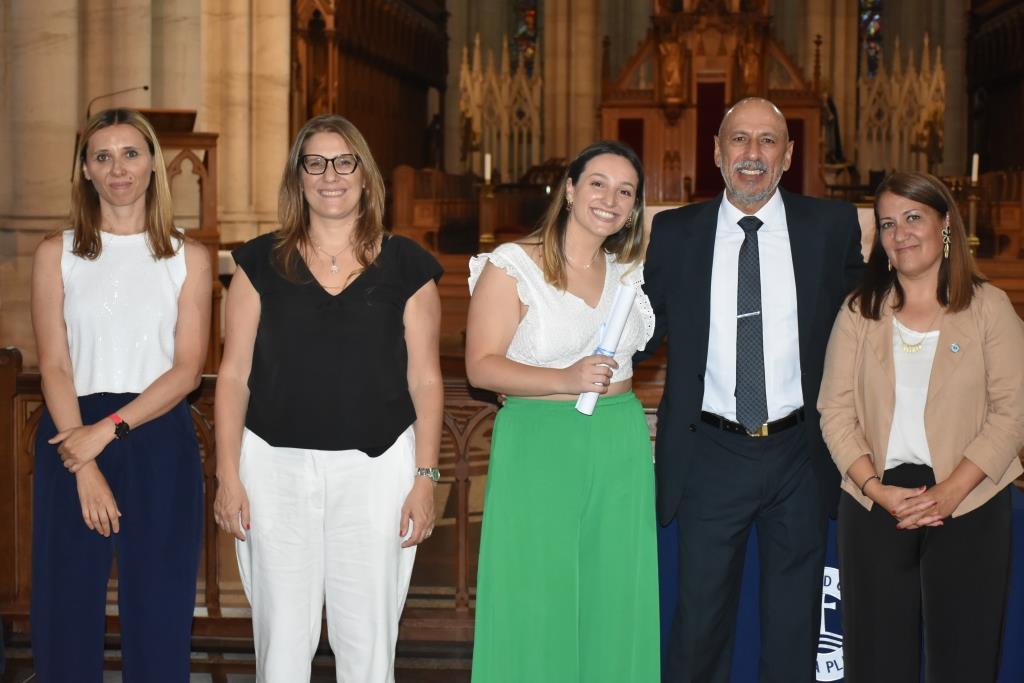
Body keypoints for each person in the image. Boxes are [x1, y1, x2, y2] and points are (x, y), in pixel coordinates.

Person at [637, 97, 864, 682]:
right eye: (740, 140)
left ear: (788, 156)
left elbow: (871, 323)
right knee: (700, 622)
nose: (753, 155)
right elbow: (641, 331)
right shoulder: (676, 232)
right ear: (717, 151)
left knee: (794, 625)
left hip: (800, 452)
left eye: (768, 141)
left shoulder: (830, 228)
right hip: (710, 452)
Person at [213, 114, 443, 682]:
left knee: (366, 639)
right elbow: (233, 374)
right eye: (314, 163)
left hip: (376, 470)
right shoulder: (257, 262)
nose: (330, 175)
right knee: (282, 639)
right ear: (298, 178)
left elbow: (426, 380)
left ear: (365, 176)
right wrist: (227, 474)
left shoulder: (407, 264)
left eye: (344, 162)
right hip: (273, 468)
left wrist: (425, 476)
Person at [818, 171, 1024, 682]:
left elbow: (1013, 410)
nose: (901, 233)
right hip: (876, 503)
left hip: (970, 500)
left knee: (965, 660)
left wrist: (951, 492)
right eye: (888, 223)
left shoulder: (989, 309)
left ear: (945, 225)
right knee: (877, 661)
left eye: (913, 218)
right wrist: (873, 487)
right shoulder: (858, 313)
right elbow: (835, 410)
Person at [467, 140, 660, 682]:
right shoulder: (513, 265)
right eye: (598, 183)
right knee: (537, 588)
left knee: (614, 589)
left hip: (619, 440)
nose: (611, 199)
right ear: (570, 189)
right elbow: (481, 366)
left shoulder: (629, 273)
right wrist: (564, 378)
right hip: (540, 440)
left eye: (626, 191)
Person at [31, 108, 211, 681]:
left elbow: (187, 370)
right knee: (67, 604)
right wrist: (82, 463)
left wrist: (104, 433)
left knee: (159, 604)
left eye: (131, 154)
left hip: (155, 431)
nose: (118, 169)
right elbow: (54, 364)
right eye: (102, 156)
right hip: (68, 429)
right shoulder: (55, 254)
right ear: (84, 170)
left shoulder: (189, 258)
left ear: (155, 163)